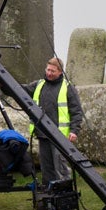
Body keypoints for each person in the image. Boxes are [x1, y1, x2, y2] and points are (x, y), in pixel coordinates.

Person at [23, 57, 83, 187]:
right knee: (47, 169)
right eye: (48, 70)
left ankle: (65, 197)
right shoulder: (39, 85)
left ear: (60, 72)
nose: (49, 73)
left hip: (60, 137)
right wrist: (3, 85)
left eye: (53, 71)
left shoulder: (68, 88)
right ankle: (48, 197)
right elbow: (22, 90)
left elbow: (77, 111)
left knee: (60, 169)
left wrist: (74, 131)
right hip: (42, 134)